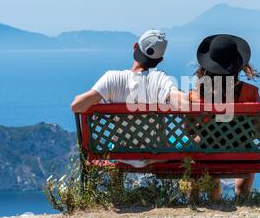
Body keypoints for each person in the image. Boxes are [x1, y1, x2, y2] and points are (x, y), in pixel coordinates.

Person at [71, 29, 188, 167]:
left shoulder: (112, 78)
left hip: (121, 154)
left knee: (111, 142)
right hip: (156, 155)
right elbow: (183, 104)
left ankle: (116, 185)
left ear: (135, 47)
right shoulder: (160, 79)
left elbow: (76, 106)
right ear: (159, 60)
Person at [189, 34, 260, 201]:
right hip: (243, 153)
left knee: (205, 142)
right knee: (248, 148)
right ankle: (241, 197)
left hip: (207, 152)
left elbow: (189, 130)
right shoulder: (251, 93)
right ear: (239, 66)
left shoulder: (197, 94)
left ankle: (213, 199)